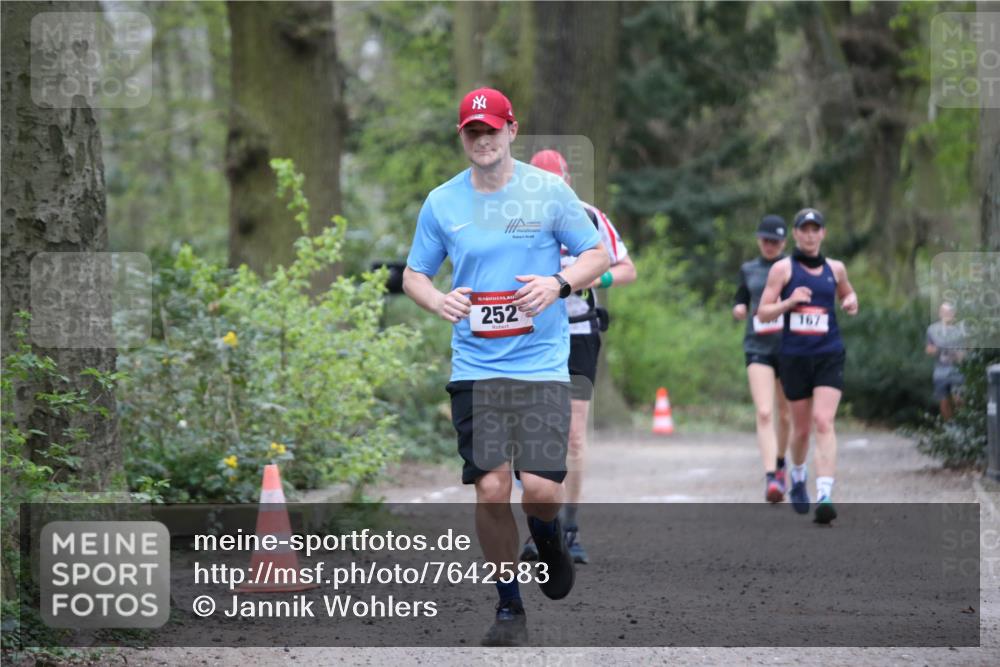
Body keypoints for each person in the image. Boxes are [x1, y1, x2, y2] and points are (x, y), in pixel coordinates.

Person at [402, 88, 610, 646]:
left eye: (492, 129)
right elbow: (414, 273)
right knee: (492, 489)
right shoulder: (442, 202)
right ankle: (509, 607)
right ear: (462, 137)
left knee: (540, 489)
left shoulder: (549, 193)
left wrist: (558, 282)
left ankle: (548, 538)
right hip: (476, 366)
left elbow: (598, 255)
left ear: (512, 130)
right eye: (473, 130)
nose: (483, 138)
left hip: (540, 364)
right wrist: (435, 300)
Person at [518, 149, 637, 565]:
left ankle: (570, 527)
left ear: (568, 180)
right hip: (529, 337)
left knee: (572, 436)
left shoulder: (589, 216)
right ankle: (539, 530)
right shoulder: (516, 219)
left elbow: (626, 269)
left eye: (558, 180)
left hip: (579, 333)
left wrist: (589, 277)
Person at [757, 208, 858, 524]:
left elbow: (847, 292)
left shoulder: (836, 268)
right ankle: (798, 475)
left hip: (829, 353)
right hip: (795, 356)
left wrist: (850, 301)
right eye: (805, 229)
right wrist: (789, 302)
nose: (811, 235)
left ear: (823, 234)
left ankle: (825, 494)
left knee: (823, 421)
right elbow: (763, 313)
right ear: (796, 234)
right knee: (800, 430)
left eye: (816, 229)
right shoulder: (782, 270)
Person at [732, 215, 792, 503]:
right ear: (759, 240)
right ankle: (771, 478)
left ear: (784, 243)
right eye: (766, 240)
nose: (770, 245)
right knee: (765, 412)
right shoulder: (749, 269)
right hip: (758, 346)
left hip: (790, 347)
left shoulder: (794, 268)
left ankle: (781, 463)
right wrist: (739, 309)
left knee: (785, 413)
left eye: (776, 241)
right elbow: (740, 298)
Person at [926, 302, 966, 420]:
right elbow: (928, 349)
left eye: (949, 312)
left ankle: (962, 425)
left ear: (954, 314)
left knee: (959, 399)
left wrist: (960, 354)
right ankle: (949, 428)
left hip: (957, 369)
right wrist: (938, 349)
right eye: (944, 312)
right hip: (940, 370)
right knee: (943, 401)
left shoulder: (961, 330)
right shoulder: (932, 330)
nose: (947, 314)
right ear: (940, 314)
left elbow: (968, 348)